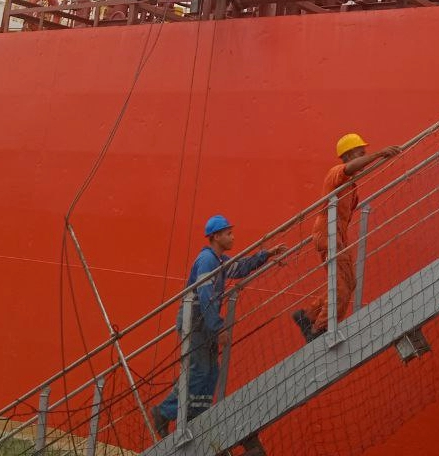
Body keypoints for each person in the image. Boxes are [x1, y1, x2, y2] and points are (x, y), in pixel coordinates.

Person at [152, 215, 286, 437]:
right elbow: (205, 297)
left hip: (204, 322)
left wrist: (266, 255)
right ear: (215, 236)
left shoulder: (220, 261)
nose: (232, 237)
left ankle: (196, 417)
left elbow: (240, 267)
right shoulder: (207, 261)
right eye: (228, 233)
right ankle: (163, 413)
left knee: (211, 372)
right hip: (194, 323)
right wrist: (218, 327)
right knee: (199, 371)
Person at [292, 133, 402, 342]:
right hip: (328, 233)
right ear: (350, 154)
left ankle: (307, 315)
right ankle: (319, 329)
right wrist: (380, 154)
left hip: (337, 235)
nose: (365, 154)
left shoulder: (351, 183)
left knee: (349, 283)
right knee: (341, 287)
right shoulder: (337, 173)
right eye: (361, 152)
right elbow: (347, 169)